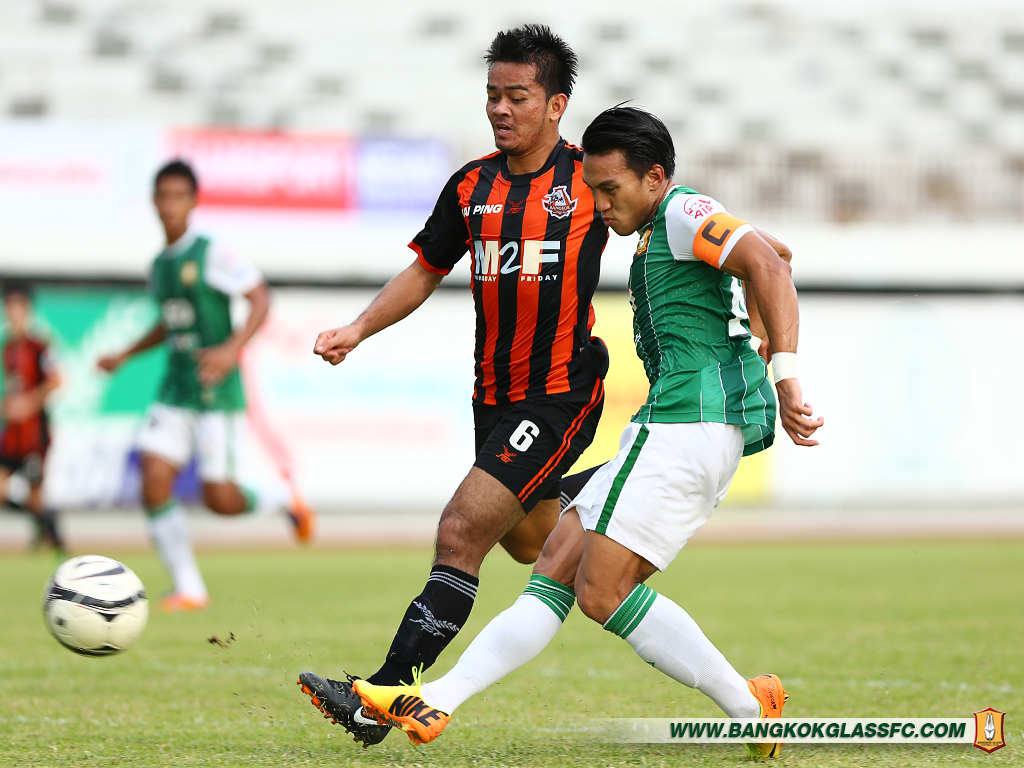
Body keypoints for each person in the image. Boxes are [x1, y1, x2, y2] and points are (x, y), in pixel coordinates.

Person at [349, 107, 825, 759]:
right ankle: (437, 700)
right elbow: (776, 256)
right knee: (554, 568)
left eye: (610, 189)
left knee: (602, 593)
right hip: (683, 427)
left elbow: (769, 264)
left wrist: (787, 375)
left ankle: (748, 708)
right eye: (593, 190)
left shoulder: (682, 213)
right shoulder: (665, 224)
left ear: (654, 177)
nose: (600, 205)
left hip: (687, 424)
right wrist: (758, 324)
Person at [297, 25, 610, 746]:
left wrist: (739, 255)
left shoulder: (587, 180)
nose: (500, 108)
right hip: (493, 399)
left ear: (556, 104)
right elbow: (424, 270)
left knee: (461, 529)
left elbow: (660, 212)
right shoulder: (472, 185)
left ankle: (380, 695)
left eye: (517, 96)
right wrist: (358, 328)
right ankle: (622, 481)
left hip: (559, 391)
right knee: (529, 542)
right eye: (493, 95)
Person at [97, 160, 315, 613]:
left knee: (221, 500)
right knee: (153, 480)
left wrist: (232, 349)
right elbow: (170, 322)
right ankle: (189, 588)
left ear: (193, 202)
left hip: (216, 392)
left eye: (179, 196)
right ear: (154, 201)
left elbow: (260, 297)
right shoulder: (159, 266)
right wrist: (125, 355)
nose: (170, 205)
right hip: (176, 390)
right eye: (163, 196)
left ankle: (282, 496)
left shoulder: (212, 253)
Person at [0, 280, 64, 555]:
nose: (13, 313)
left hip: (35, 433)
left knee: (35, 492)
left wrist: (28, 403)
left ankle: (52, 538)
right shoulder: (7, 347)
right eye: (9, 307)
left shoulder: (39, 344)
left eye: (18, 307)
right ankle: (46, 522)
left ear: (27, 309)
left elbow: (56, 380)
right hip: (11, 434)